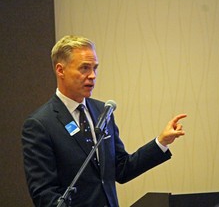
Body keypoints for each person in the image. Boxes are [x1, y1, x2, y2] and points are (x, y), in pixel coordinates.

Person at [22, 35, 187, 207]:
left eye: (95, 68)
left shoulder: (103, 111)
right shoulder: (40, 124)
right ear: (60, 70)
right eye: (84, 68)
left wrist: (161, 142)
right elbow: (44, 194)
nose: (92, 75)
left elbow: (121, 169)